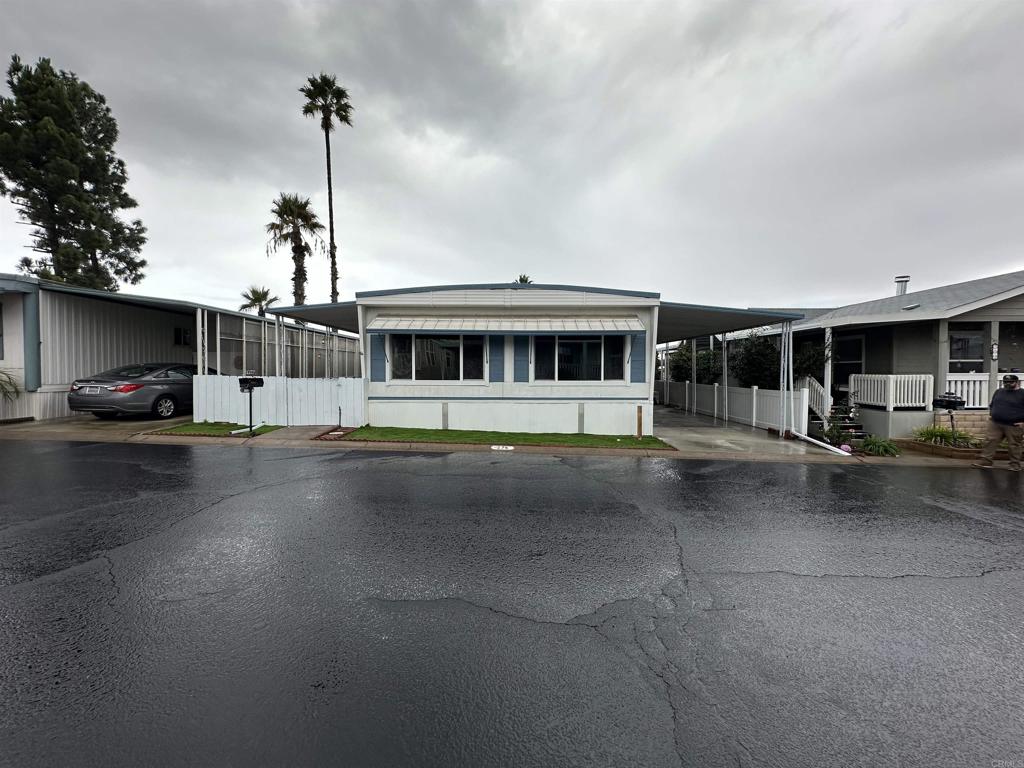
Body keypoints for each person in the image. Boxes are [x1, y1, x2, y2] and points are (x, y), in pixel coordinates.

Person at [974, 373, 1024, 471]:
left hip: (1014, 424)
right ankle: (986, 461)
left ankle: (1015, 464)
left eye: (1010, 382)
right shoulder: (999, 391)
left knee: (1014, 445)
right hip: (995, 422)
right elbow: (992, 404)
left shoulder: (1022, 393)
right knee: (990, 441)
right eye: (1005, 382)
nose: (1007, 384)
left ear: (1017, 382)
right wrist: (992, 413)